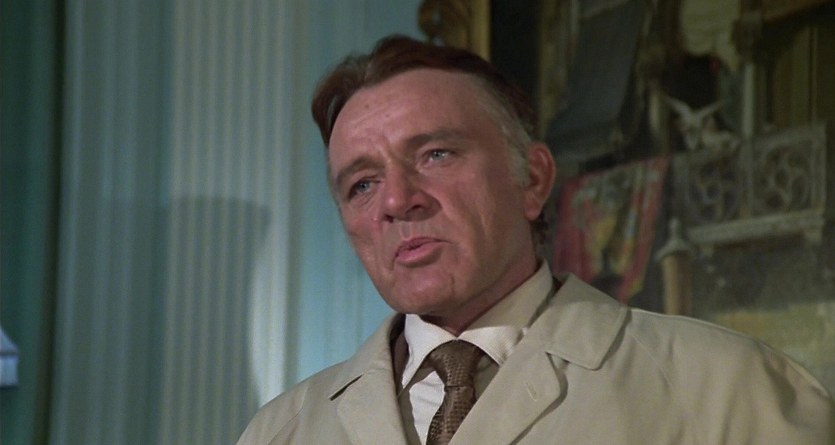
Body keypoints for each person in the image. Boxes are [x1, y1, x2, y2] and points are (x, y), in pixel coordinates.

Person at [237, 35, 834, 444]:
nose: (397, 201)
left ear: (533, 179)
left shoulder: (732, 390)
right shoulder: (282, 431)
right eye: (362, 184)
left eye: (436, 154)